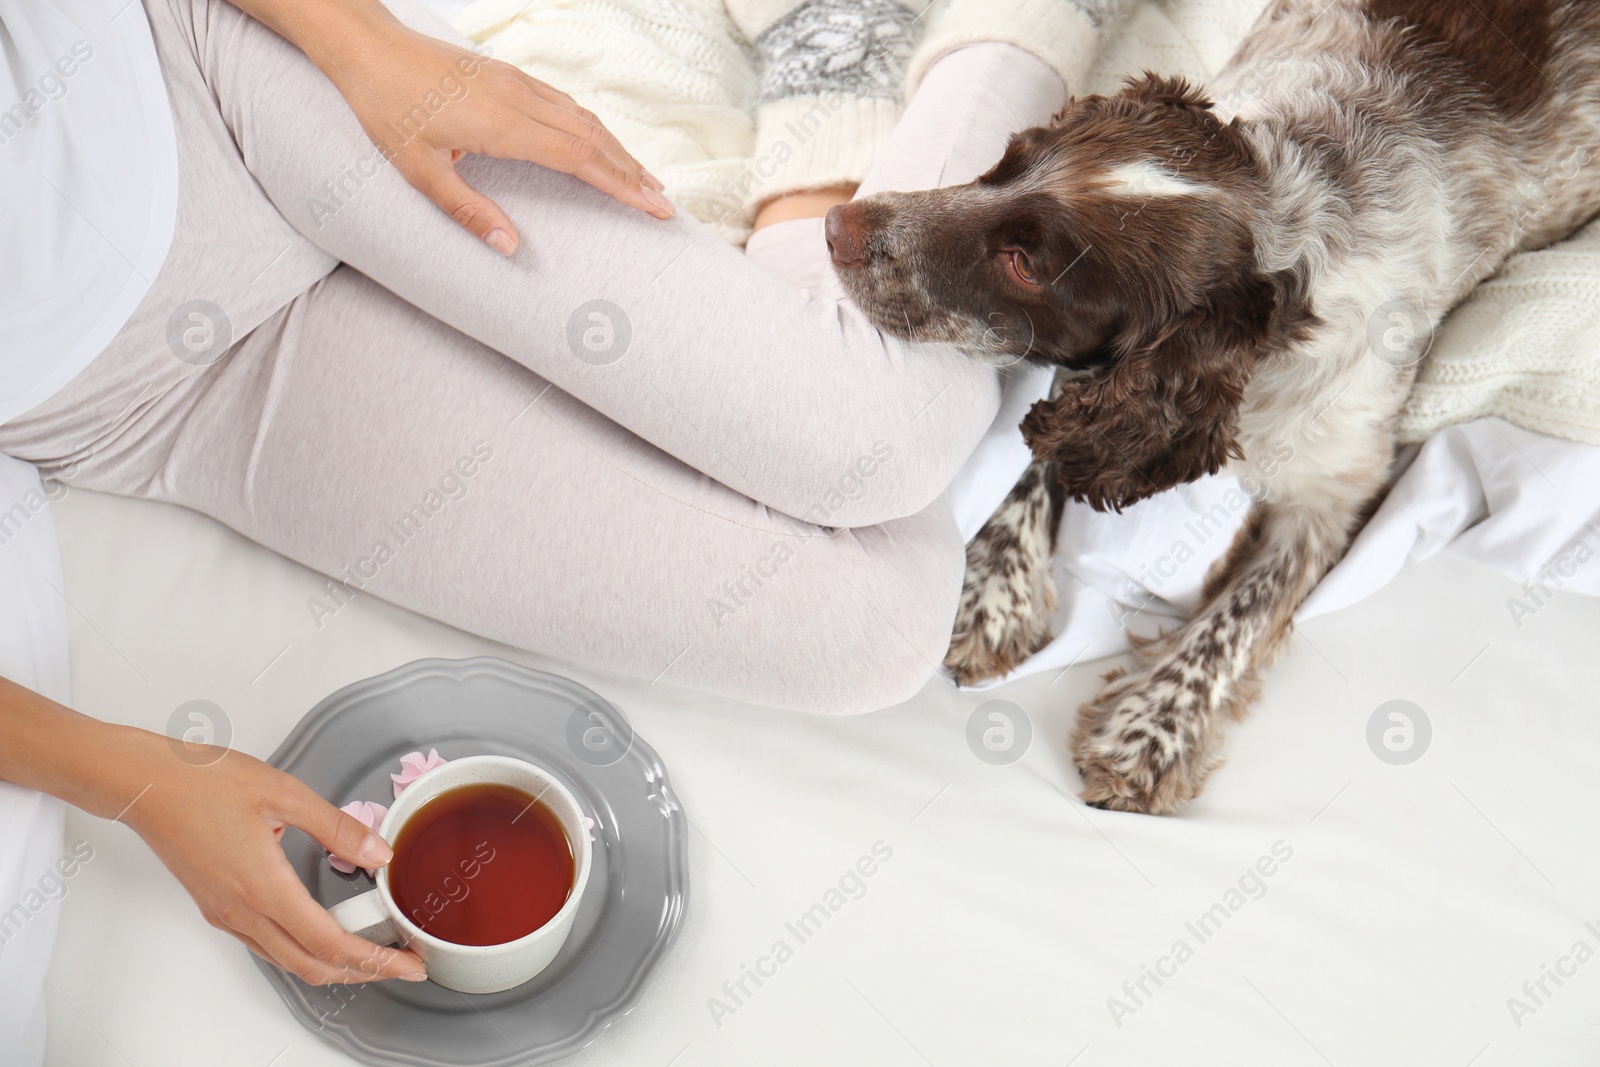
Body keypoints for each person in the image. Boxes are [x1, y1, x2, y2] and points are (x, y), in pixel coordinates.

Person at [0, 0, 1122, 1056]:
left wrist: (364, 47)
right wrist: (136, 782)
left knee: (873, 431)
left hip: (217, 78)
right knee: (873, 630)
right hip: (148, 395)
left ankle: (1020, 30)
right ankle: (819, 118)